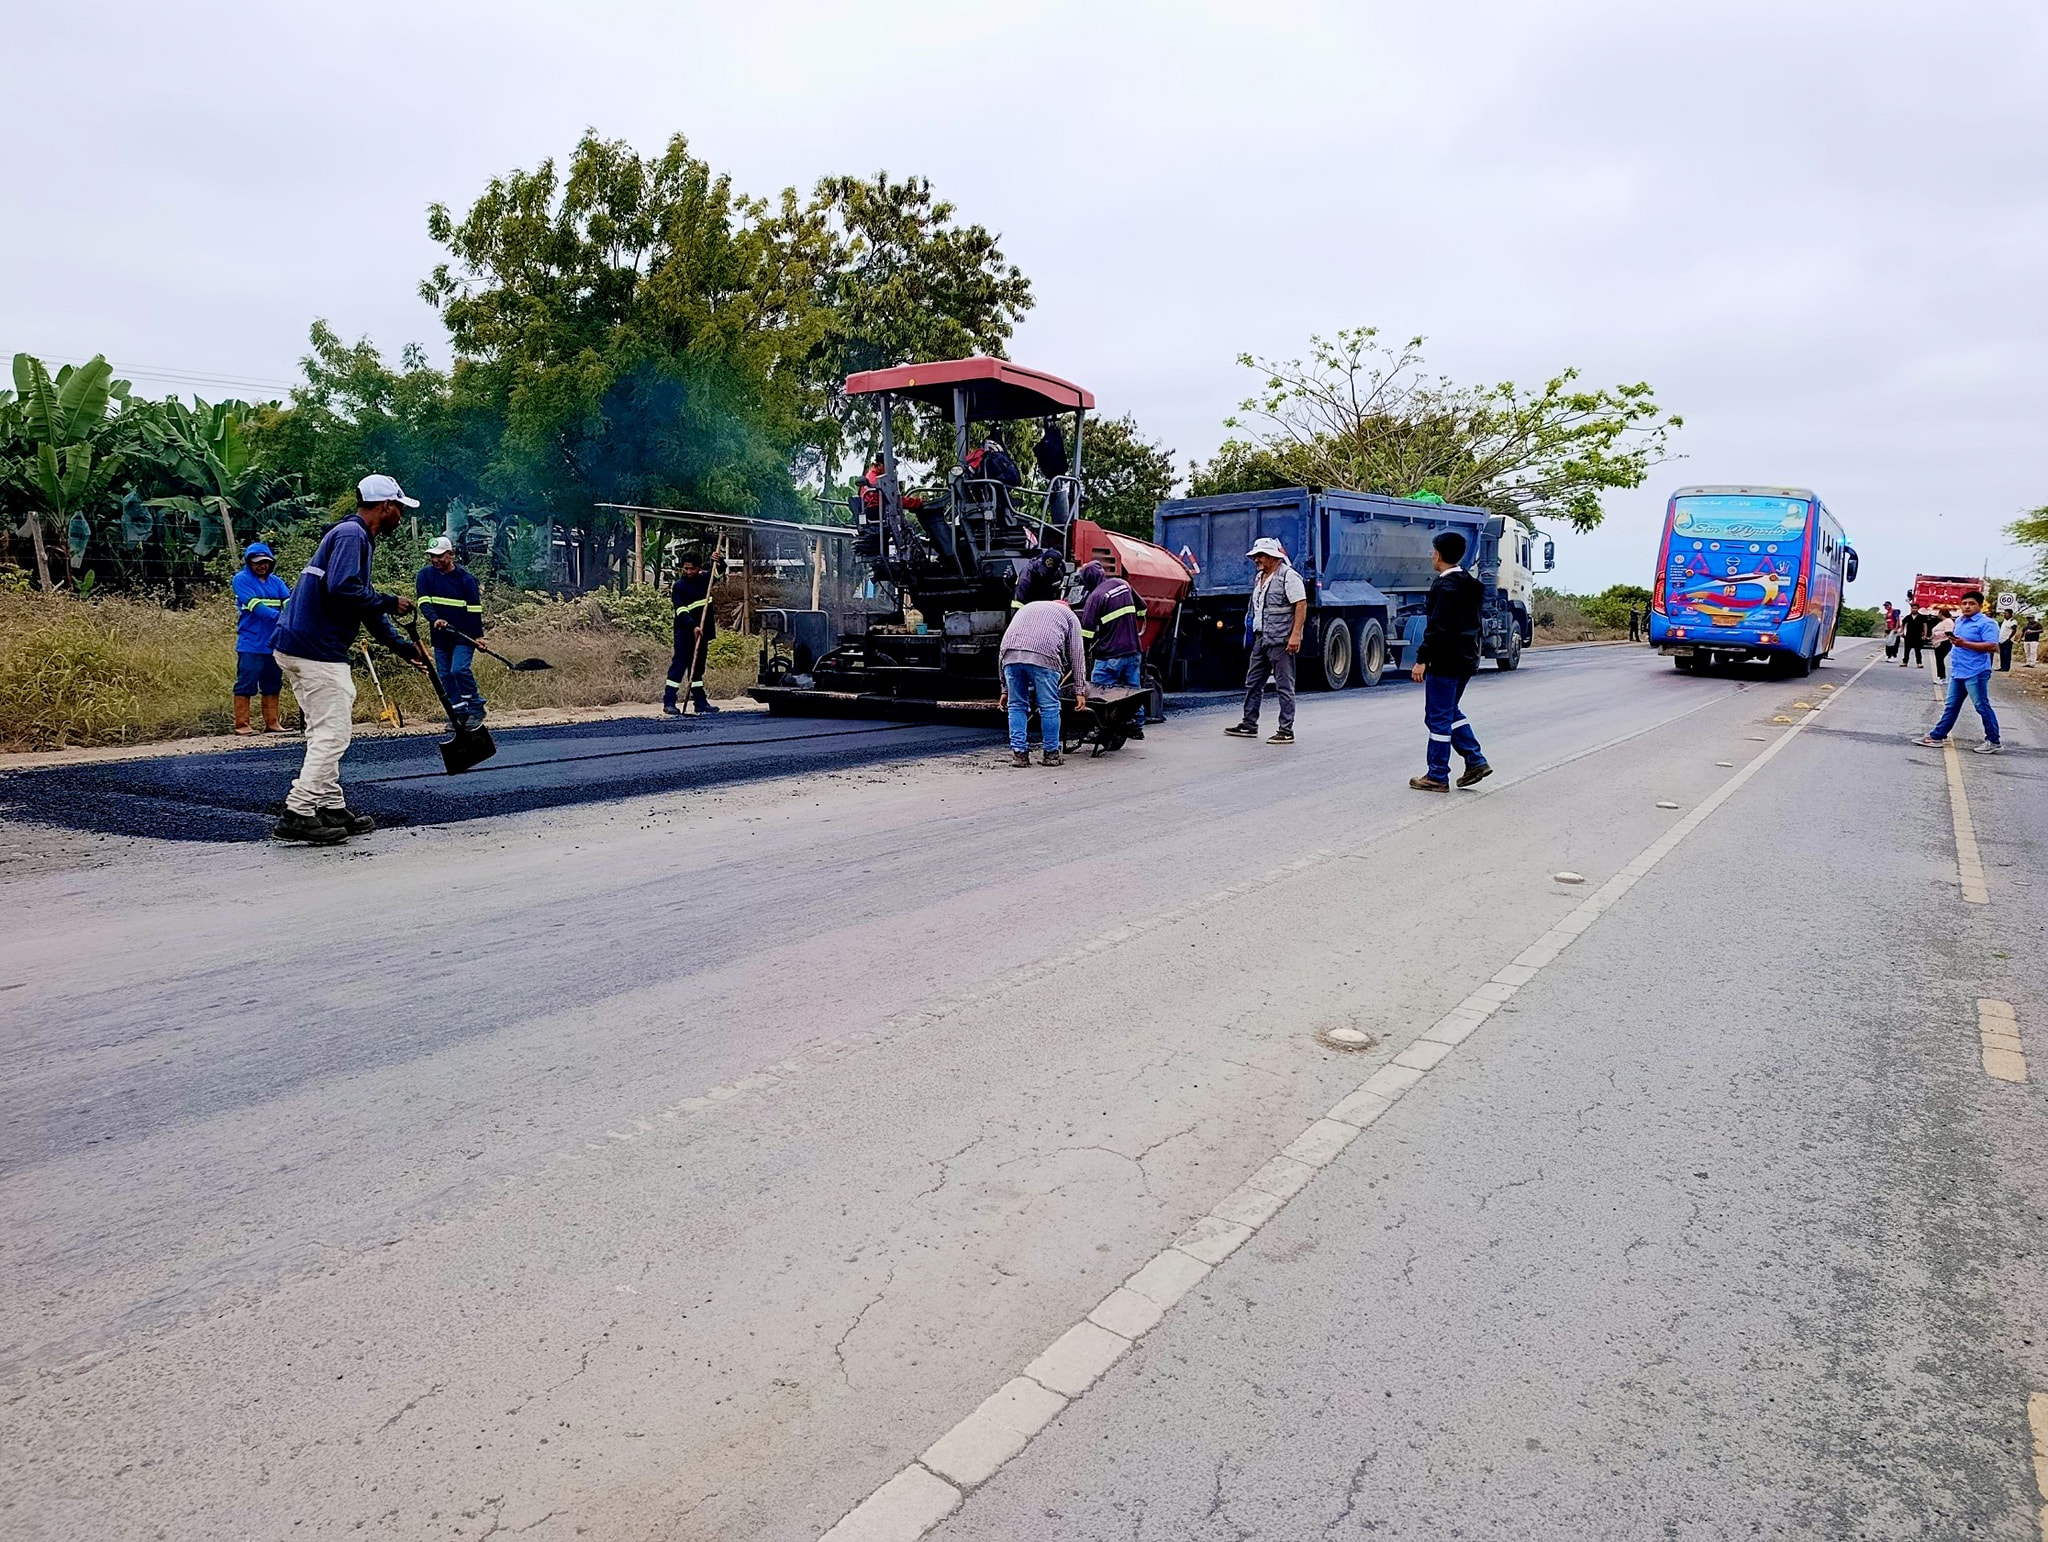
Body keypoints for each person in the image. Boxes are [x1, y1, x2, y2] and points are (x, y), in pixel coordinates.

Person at [268, 475, 427, 843]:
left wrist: (403, 647)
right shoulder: (352, 535)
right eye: (399, 508)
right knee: (333, 733)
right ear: (385, 506)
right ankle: (298, 811)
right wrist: (390, 601)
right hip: (315, 649)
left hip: (298, 644)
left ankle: (330, 805)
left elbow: (362, 604)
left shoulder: (351, 536)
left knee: (321, 730)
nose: (401, 516)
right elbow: (344, 589)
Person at [1408, 529, 1492, 792]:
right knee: (1449, 711)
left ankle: (1437, 775)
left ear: (1438, 555)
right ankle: (1475, 760)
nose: (1431, 556)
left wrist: (1422, 659)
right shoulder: (1472, 584)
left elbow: (1438, 628)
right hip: (1466, 658)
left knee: (1438, 718)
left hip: (1444, 660)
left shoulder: (1444, 587)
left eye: (1433, 552)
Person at [1225, 537, 1306, 745]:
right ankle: (1249, 724)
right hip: (1262, 638)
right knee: (1253, 682)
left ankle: (1286, 730)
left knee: (1284, 685)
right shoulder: (1259, 578)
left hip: (1281, 640)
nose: (1256, 560)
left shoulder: (1288, 576)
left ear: (1272, 556)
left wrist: (1295, 635)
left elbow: (1301, 604)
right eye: (1255, 556)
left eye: (1260, 556)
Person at [998, 595, 1086, 767]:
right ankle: (1051, 754)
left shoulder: (1028, 607)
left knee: (1016, 706)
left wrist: (1004, 688)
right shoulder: (1070, 616)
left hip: (1010, 656)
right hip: (1044, 657)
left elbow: (1002, 650)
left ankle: (1019, 755)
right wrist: (1080, 690)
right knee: (1049, 706)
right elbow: (1077, 654)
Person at [1915, 590, 2002, 753]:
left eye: (1971, 604)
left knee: (1981, 706)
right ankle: (1937, 736)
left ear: (1980, 606)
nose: (1967, 607)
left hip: (1976, 671)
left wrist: (1964, 644)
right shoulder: (1960, 621)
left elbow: (1992, 646)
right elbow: (1958, 642)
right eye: (1964, 603)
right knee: (1951, 706)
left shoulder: (1987, 623)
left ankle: (1993, 740)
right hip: (1958, 671)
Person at [416, 536, 486, 730]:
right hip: (440, 636)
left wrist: (478, 637)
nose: (435, 560)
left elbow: (474, 610)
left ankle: (476, 708)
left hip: (464, 635)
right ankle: (459, 714)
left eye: (439, 556)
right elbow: (424, 602)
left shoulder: (466, 579)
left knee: (459, 670)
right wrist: (434, 619)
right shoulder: (425, 576)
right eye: (432, 556)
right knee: (445, 675)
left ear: (451, 554)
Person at [230, 541, 291, 735]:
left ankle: (272, 723)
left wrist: (292, 616)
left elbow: (288, 601)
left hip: (274, 641)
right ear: (249, 562)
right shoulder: (241, 579)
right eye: (257, 562)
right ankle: (242, 724)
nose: (262, 565)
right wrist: (282, 618)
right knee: (246, 682)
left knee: (273, 682)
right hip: (251, 642)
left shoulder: (277, 581)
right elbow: (255, 606)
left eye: (265, 562)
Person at [664, 552, 718, 716]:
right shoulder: (679, 586)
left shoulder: (705, 580)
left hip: (702, 633)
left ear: (699, 568)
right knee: (679, 665)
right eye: (686, 568)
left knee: (697, 668)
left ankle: (700, 702)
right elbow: (681, 611)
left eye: (692, 569)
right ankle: (669, 702)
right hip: (685, 632)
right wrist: (693, 626)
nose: (688, 572)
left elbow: (719, 570)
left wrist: (718, 559)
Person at [1077, 561, 1145, 691]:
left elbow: (1086, 633)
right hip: (1133, 651)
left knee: (1100, 694)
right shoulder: (1123, 584)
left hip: (1110, 655)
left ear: (1088, 579)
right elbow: (1142, 608)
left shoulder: (1095, 597)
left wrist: (1081, 656)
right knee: (1133, 693)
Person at [1931, 608, 1954, 680]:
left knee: (1940, 659)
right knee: (1939, 660)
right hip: (1938, 642)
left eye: (1938, 613)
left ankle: (1942, 677)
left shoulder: (1948, 621)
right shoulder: (1942, 622)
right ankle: (1940, 676)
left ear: (1941, 613)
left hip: (1944, 642)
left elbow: (1948, 632)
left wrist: (1936, 634)